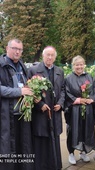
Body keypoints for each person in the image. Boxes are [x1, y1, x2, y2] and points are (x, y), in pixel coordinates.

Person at [28, 46, 65, 170]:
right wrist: (40, 105)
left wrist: (60, 103)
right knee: (41, 142)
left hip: (55, 112)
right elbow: (29, 90)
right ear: (43, 56)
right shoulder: (34, 70)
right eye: (47, 55)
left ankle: (54, 166)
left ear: (55, 57)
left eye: (52, 55)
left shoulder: (60, 71)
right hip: (41, 114)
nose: (49, 57)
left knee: (54, 139)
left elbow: (63, 90)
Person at [0, 38, 34, 170]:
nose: (18, 52)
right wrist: (19, 91)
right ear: (7, 48)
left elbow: (25, 84)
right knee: (7, 148)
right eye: (15, 48)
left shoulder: (22, 65)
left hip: (22, 114)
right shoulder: (1, 64)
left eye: (20, 49)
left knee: (23, 147)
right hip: (6, 115)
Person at [64, 55, 95, 165]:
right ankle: (71, 153)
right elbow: (66, 92)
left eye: (81, 64)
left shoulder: (89, 77)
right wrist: (77, 100)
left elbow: (94, 90)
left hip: (88, 109)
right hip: (74, 109)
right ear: (73, 65)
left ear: (84, 65)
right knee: (73, 131)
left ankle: (83, 152)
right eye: (77, 64)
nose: (79, 67)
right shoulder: (69, 78)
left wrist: (91, 99)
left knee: (86, 129)